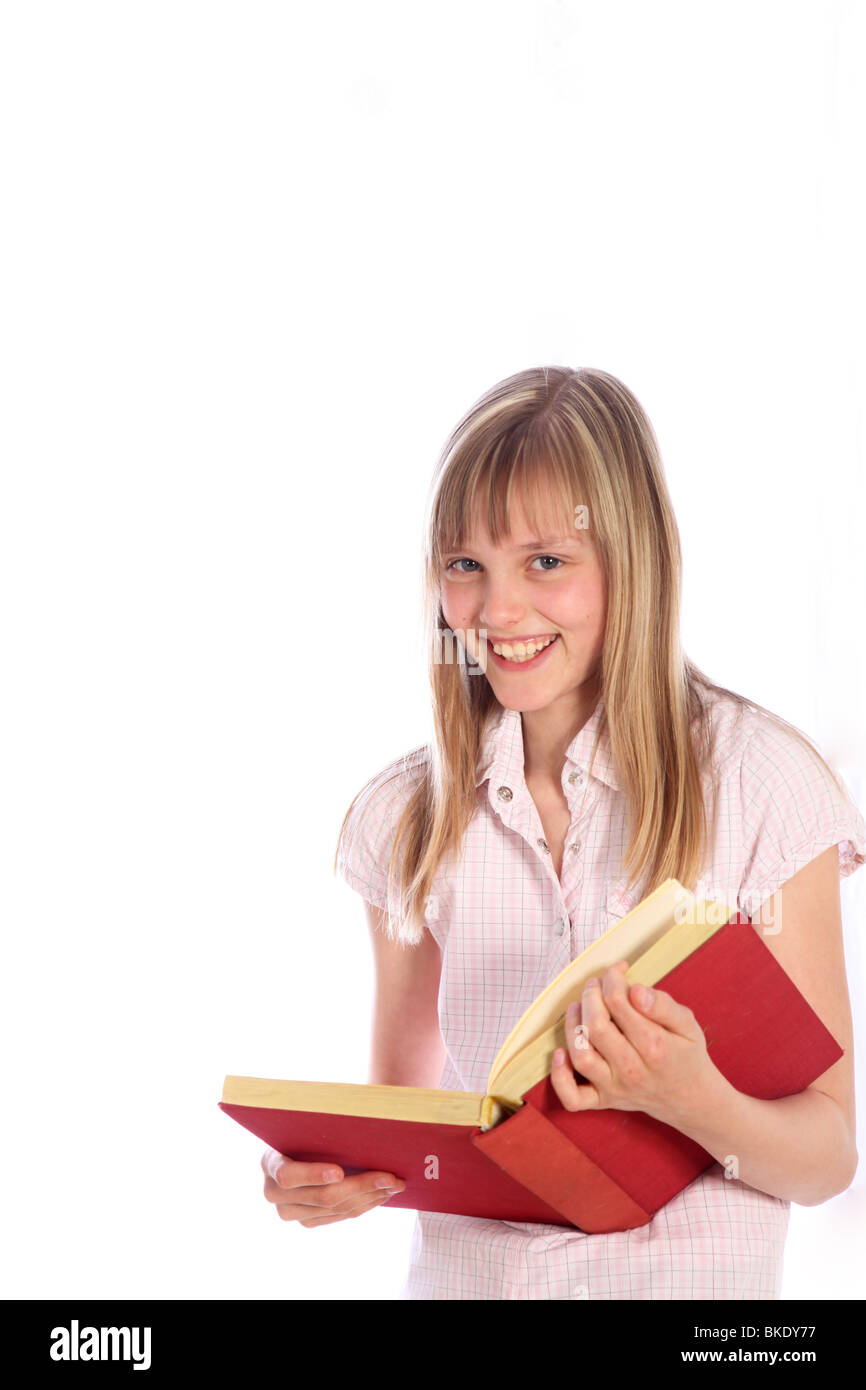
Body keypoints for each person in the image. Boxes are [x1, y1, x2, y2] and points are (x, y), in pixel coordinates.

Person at [261, 365, 865, 1299]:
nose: (498, 613)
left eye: (546, 561)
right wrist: (328, 1173)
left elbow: (826, 1159)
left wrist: (694, 1103)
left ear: (634, 560)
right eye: (466, 565)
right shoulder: (409, 819)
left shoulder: (761, 783)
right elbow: (402, 1116)